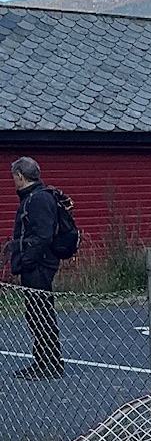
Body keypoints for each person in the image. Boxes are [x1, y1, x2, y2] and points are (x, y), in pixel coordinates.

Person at [9, 158, 64, 379]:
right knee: (35, 314)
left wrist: (26, 261)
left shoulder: (38, 199)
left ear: (20, 176)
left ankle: (50, 363)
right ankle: (42, 360)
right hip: (37, 264)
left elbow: (43, 236)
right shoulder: (34, 197)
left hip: (39, 265)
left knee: (41, 314)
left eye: (14, 176)